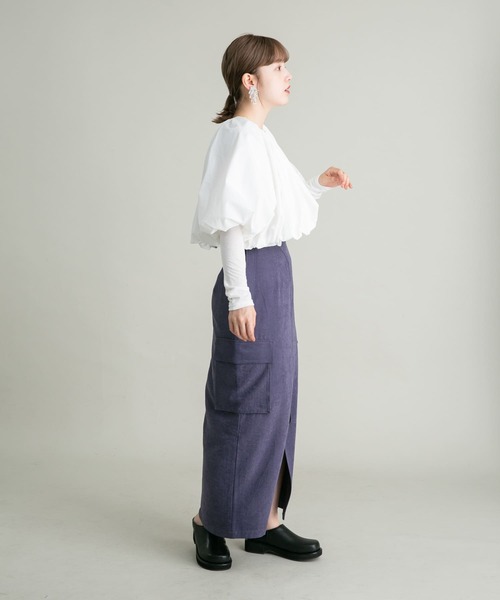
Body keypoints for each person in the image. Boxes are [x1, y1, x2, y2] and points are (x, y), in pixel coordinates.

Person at [190, 33, 352, 571]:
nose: (288, 75)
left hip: (275, 274)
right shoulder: (236, 136)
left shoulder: (260, 137)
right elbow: (231, 223)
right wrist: (239, 294)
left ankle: (264, 521)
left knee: (277, 401)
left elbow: (269, 210)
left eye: (286, 66)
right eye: (278, 67)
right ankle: (210, 522)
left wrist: (317, 185)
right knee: (243, 403)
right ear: (249, 81)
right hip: (252, 279)